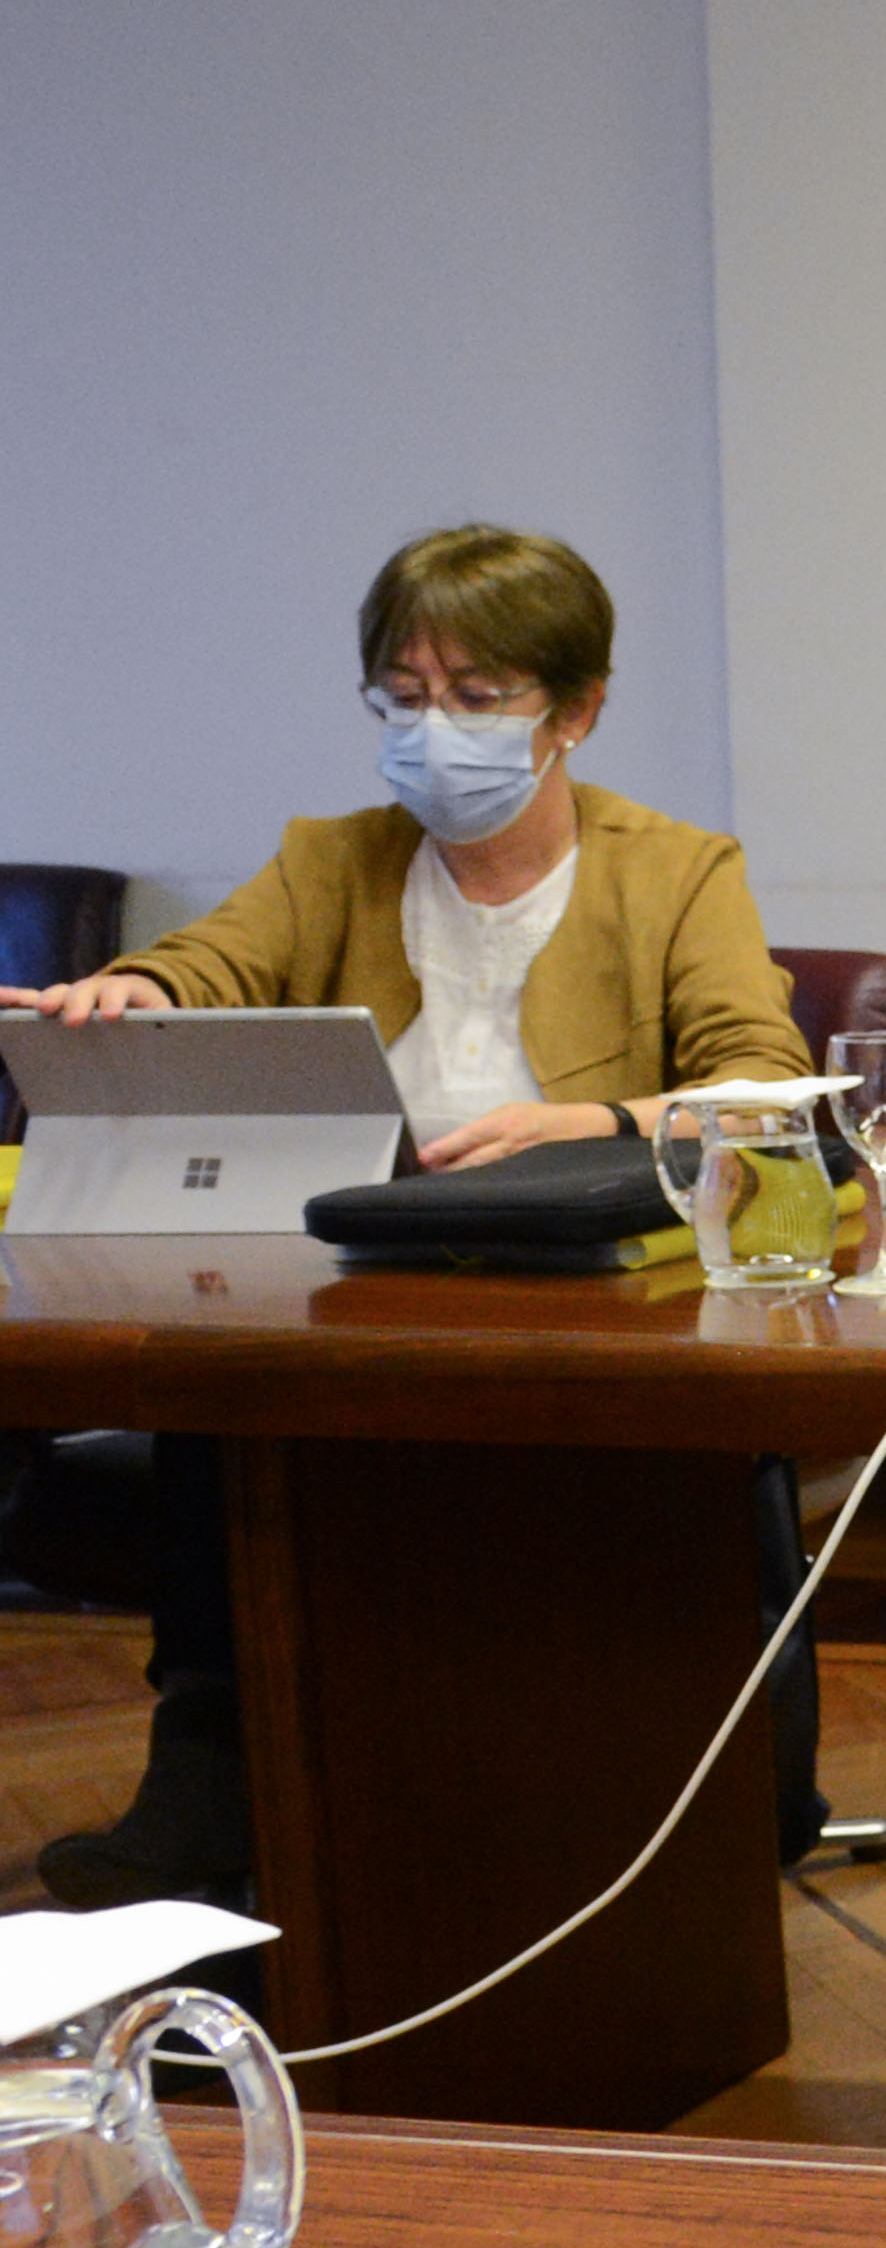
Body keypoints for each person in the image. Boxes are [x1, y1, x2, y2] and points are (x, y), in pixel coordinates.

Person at [6, 524, 822, 1910]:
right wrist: (140, 991)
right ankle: (210, 1767)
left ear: (575, 711)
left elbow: (761, 1073)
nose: (434, 731)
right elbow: (213, 959)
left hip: (589, 1279)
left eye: (478, 696)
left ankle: (688, 1779)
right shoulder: (331, 856)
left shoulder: (675, 867)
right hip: (360, 1271)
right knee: (219, 1377)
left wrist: (594, 1121)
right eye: (405, 695)